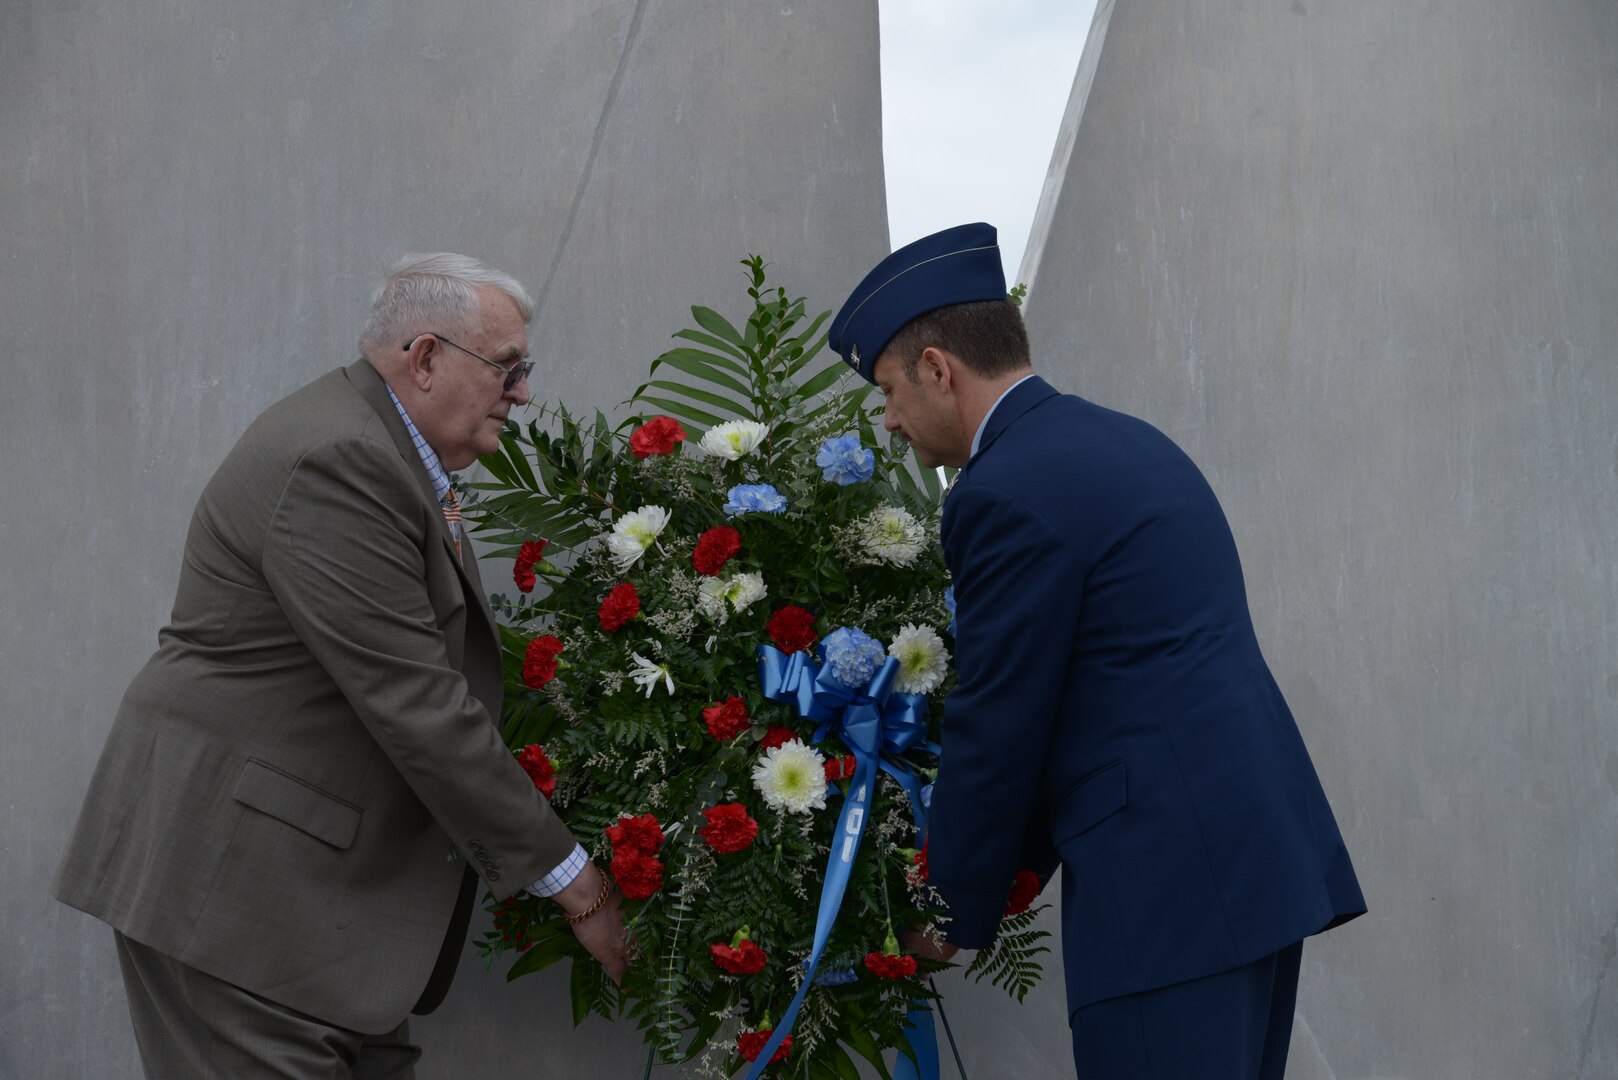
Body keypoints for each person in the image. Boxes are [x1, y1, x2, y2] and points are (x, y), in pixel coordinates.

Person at [52, 253, 628, 1079]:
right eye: (508, 367)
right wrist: (580, 887)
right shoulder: (341, 461)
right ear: (425, 359)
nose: (524, 392)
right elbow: (419, 704)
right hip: (241, 899)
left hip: (307, 915)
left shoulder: (385, 453)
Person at [828, 224, 1366, 1079]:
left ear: (939, 368)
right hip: (1248, 867)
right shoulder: (1126, 442)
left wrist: (948, 907)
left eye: (889, 390)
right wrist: (1005, 879)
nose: (889, 419)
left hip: (1167, 896)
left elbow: (1001, 718)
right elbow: (1099, 688)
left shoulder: (1001, 492)